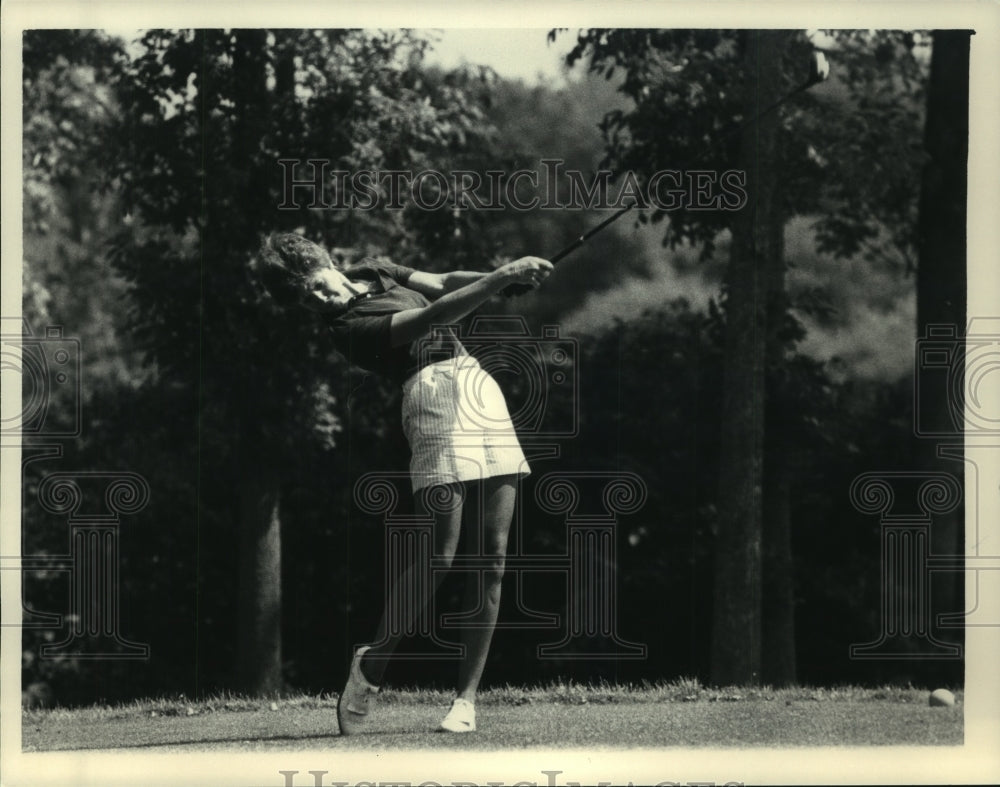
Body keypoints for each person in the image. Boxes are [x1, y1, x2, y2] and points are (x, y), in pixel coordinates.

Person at [254, 233, 553, 734]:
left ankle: (465, 702)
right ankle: (372, 664)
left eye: (318, 286)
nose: (319, 300)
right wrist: (501, 278)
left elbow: (439, 285)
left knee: (493, 558)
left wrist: (496, 279)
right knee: (440, 554)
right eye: (307, 300)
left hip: (476, 384)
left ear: (329, 262)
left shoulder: (376, 269)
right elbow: (432, 318)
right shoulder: (346, 328)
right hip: (431, 400)